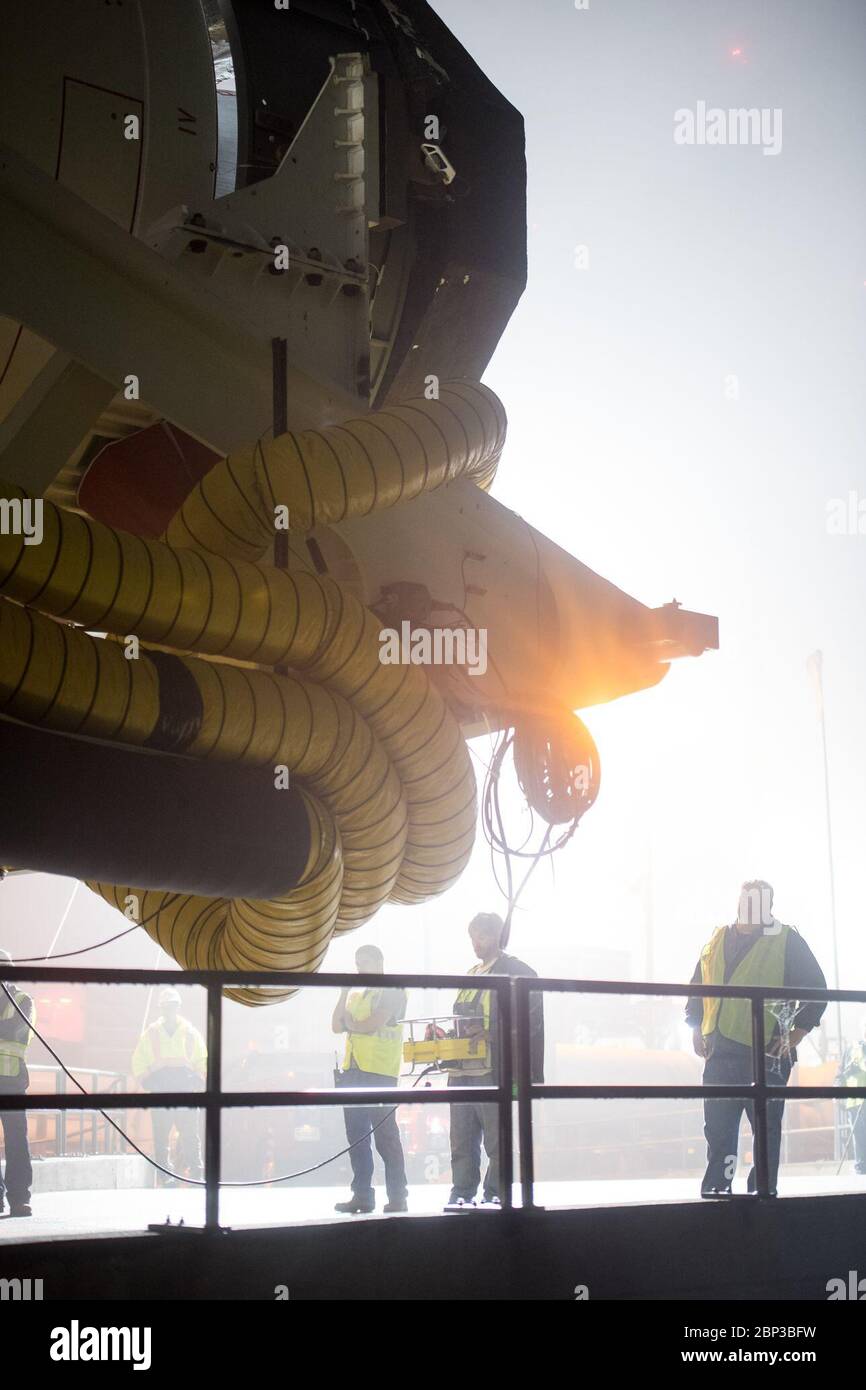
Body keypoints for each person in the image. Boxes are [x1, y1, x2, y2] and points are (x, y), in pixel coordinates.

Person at [686, 880, 826, 1198]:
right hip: (719, 1049)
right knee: (719, 1128)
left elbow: (817, 988)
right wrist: (696, 1025)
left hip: (768, 1051)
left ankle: (762, 1190)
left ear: (769, 907)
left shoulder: (787, 940)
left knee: (764, 1127)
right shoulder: (717, 938)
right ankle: (719, 1186)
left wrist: (798, 1033)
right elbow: (699, 983)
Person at [446, 912, 544, 1209]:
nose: (476, 943)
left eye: (483, 936)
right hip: (461, 1068)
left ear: (498, 936)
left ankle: (495, 1191)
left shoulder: (516, 971)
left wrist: (492, 1033)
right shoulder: (471, 974)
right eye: (473, 936)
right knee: (461, 1138)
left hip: (492, 1070)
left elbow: (528, 1019)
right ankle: (462, 1191)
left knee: (496, 1139)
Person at [332, 945, 408, 1215]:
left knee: (386, 1137)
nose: (360, 969)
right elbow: (335, 1025)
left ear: (379, 961)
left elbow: (371, 1024)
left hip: (379, 1072)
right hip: (353, 1071)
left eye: (364, 963)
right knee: (357, 1137)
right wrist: (343, 993)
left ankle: (398, 1196)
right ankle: (362, 1196)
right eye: (357, 964)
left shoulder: (392, 989)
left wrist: (351, 1024)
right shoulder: (357, 994)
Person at [132, 987, 207, 1185]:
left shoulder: (191, 1034)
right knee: (161, 1138)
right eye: (166, 1007)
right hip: (162, 1091)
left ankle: (197, 1175)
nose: (169, 1010)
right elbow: (138, 1064)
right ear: (161, 1009)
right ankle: (166, 1176)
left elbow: (203, 1063)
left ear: (178, 1007)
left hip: (185, 1092)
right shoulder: (151, 1034)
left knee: (191, 1137)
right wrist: (150, 1083)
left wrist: (196, 1081)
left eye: (172, 1006)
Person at [0, 948, 35, 1217]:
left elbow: (17, 1031)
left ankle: (19, 1198)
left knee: (16, 1142)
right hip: (11, 1080)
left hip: (11, 1081)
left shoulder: (23, 1000)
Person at [838, 1016, 866, 1175]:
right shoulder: (852, 1048)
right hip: (854, 1101)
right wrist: (837, 1090)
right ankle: (861, 1166)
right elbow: (841, 1072)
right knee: (859, 1134)